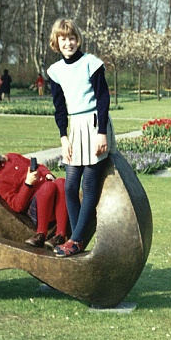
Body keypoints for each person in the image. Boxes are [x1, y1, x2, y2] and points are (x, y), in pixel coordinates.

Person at [46, 18, 117, 258]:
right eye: (63, 39)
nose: (68, 43)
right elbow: (59, 108)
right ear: (56, 42)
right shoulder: (55, 71)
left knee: (88, 185)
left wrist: (101, 133)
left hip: (94, 124)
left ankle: (75, 240)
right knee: (69, 186)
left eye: (72, 38)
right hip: (74, 129)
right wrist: (63, 138)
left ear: (78, 39)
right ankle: (79, 239)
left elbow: (103, 99)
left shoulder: (91, 64)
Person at [0, 143, 69, 249]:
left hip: (53, 201)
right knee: (48, 187)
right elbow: (17, 206)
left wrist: (47, 174)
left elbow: (38, 166)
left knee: (61, 182)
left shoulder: (12, 157)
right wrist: (27, 184)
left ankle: (60, 235)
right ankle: (41, 234)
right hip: (37, 208)